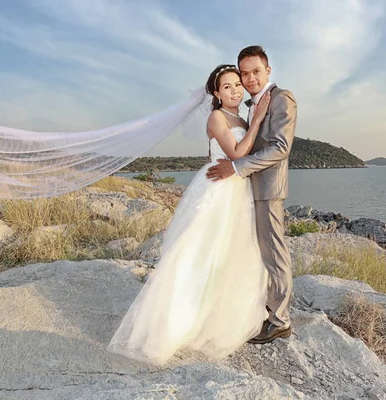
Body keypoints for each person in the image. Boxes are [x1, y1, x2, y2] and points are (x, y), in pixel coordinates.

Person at [107, 63, 271, 365]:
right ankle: (175, 324)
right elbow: (236, 153)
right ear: (215, 93)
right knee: (199, 253)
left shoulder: (239, 115)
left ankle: (217, 317)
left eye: (238, 84)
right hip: (218, 188)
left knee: (232, 253)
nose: (235, 90)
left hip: (238, 188)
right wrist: (258, 120)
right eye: (227, 86)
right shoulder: (217, 116)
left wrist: (254, 120)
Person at [207, 45, 298, 344]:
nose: (249, 79)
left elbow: (280, 148)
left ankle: (280, 320)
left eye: (255, 72)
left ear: (268, 71)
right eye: (244, 73)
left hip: (267, 189)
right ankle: (261, 308)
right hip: (247, 190)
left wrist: (236, 167)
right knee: (256, 253)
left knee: (275, 252)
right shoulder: (248, 106)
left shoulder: (282, 98)